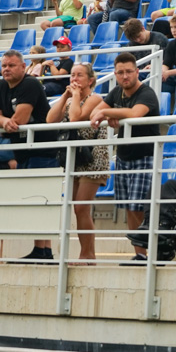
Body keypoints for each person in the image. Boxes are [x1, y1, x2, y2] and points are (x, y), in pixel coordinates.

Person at [90, 52, 161, 262]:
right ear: (115, 74)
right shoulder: (115, 93)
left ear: (137, 72)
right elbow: (95, 112)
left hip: (145, 155)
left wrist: (109, 113)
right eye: (120, 72)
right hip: (123, 156)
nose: (125, 76)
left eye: (129, 71)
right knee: (129, 208)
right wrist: (108, 112)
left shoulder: (147, 93)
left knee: (139, 206)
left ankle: (151, 253)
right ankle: (139, 254)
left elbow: (135, 114)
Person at [0, 50, 60, 261]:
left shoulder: (30, 84)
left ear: (23, 67)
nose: (6, 69)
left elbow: (20, 118)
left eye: (11, 65)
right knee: (31, 199)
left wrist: (6, 121)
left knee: (39, 198)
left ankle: (44, 250)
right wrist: (4, 122)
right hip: (22, 150)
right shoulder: (2, 85)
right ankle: (42, 249)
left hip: (42, 148)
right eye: (4, 65)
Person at [47, 63, 109, 264]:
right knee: (78, 208)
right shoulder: (69, 99)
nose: (74, 79)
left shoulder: (95, 98)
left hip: (93, 159)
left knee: (82, 207)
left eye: (79, 75)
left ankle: (88, 255)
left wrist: (74, 97)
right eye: (72, 75)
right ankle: (87, 253)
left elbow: (75, 118)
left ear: (90, 80)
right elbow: (50, 120)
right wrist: (65, 96)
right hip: (74, 159)